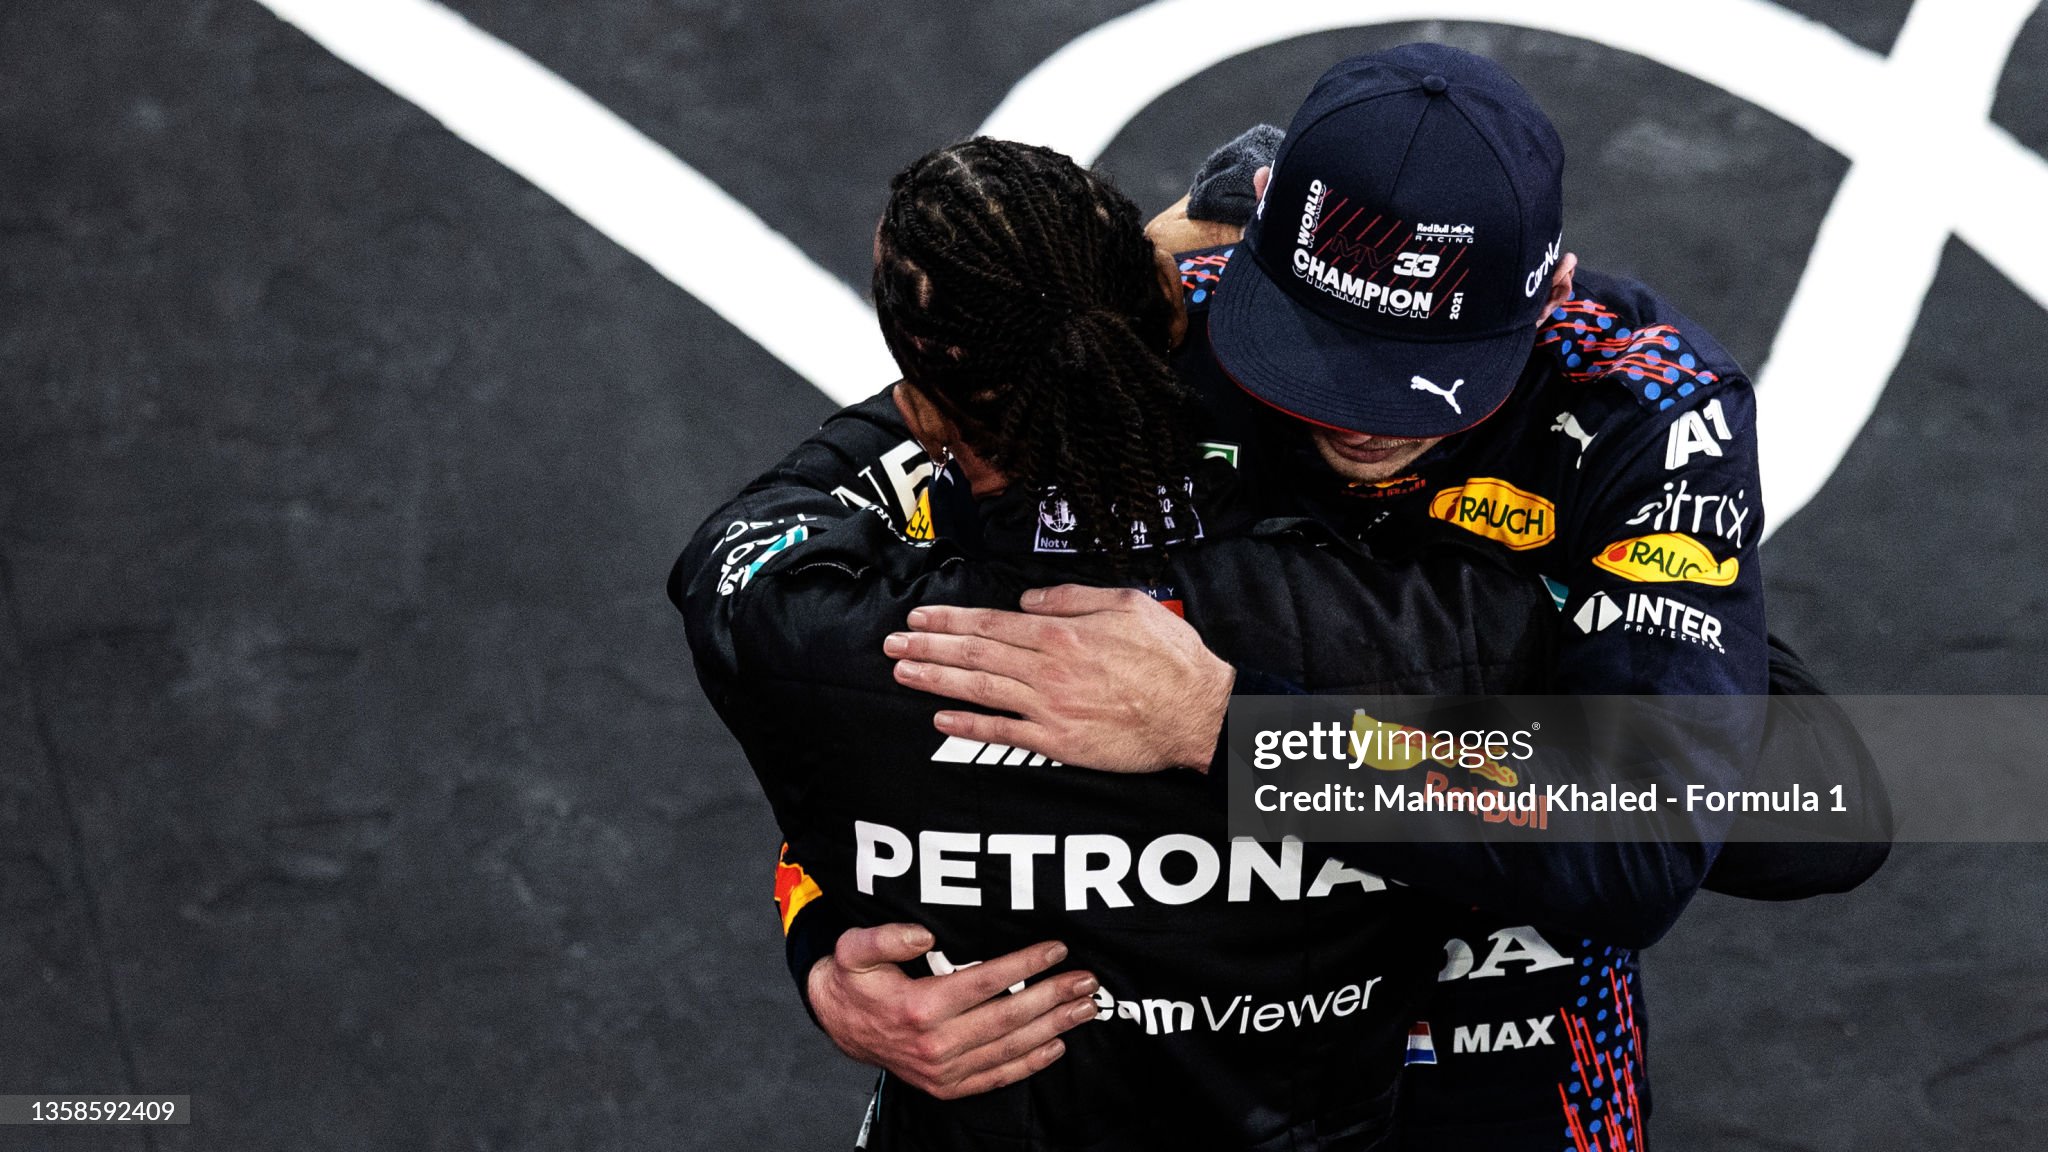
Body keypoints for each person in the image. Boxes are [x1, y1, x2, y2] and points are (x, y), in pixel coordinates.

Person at [790, 45, 1888, 1152]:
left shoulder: (1636, 402)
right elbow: (866, 656)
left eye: (1427, 372)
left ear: (1550, 291)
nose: (1362, 417)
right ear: (1259, 224)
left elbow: (1746, 828)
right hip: (1174, 1064)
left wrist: (1221, 726)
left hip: (1496, 1064)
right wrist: (826, 936)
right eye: (1320, 352)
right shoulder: (1151, 331)